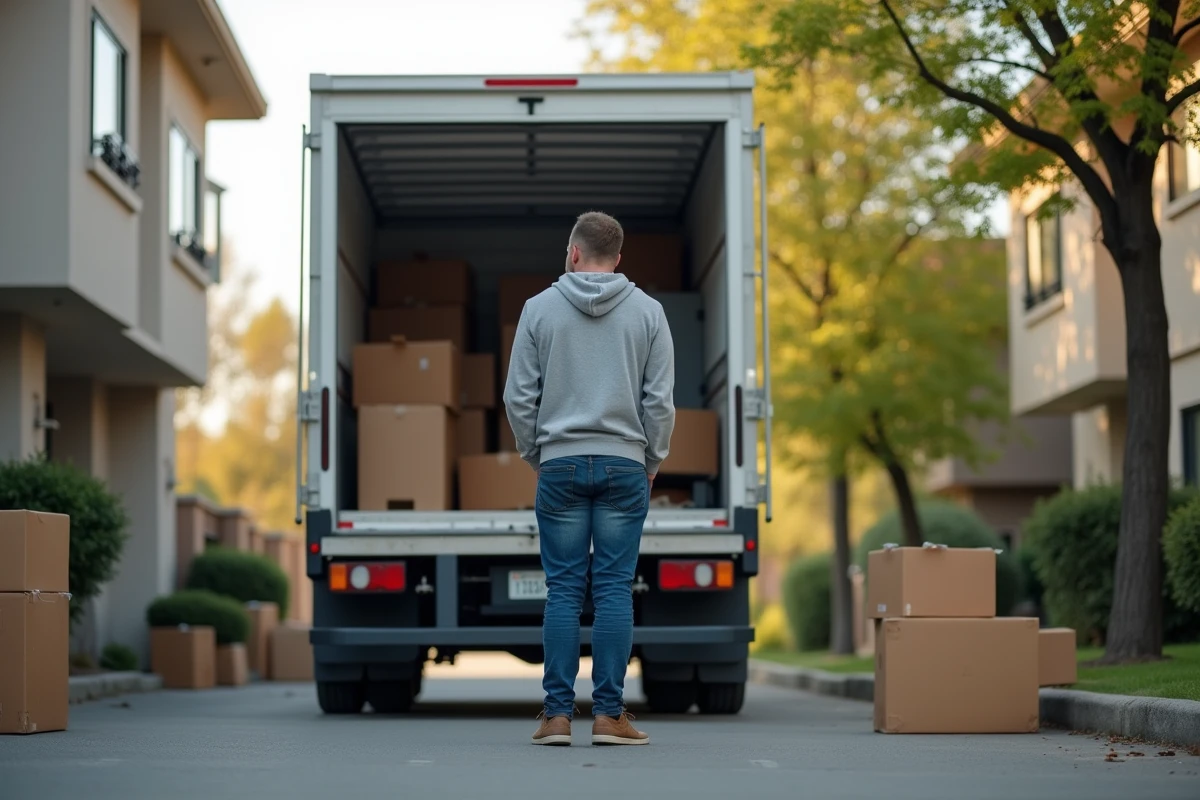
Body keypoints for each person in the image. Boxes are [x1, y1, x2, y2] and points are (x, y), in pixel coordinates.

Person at [503, 210, 676, 747]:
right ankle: (608, 717)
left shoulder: (538, 310)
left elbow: (517, 397)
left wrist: (539, 453)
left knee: (563, 591)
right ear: (618, 259)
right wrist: (651, 461)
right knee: (614, 590)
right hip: (626, 464)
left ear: (573, 252)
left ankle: (556, 717)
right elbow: (660, 403)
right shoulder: (649, 312)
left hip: (559, 463)